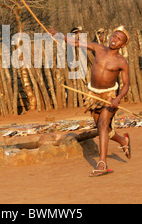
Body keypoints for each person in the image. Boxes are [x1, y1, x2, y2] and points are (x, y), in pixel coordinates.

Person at [49, 25, 131, 177]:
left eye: (119, 39)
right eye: (114, 36)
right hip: (93, 93)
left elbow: (126, 85)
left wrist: (118, 99)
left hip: (109, 95)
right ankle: (123, 141)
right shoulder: (98, 48)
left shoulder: (121, 62)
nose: (115, 40)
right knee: (102, 128)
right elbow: (77, 43)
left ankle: (102, 163)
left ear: (123, 45)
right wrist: (59, 35)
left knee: (102, 125)